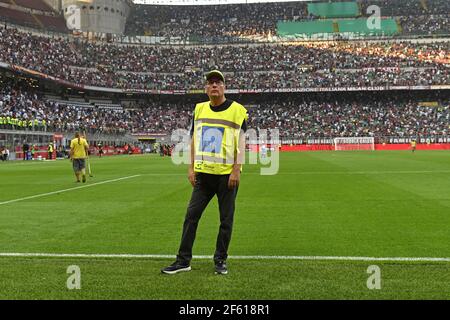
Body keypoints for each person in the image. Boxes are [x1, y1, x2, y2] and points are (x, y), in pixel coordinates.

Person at [161, 70, 248, 275]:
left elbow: (242, 143)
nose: (214, 85)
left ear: (224, 87)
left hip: (227, 176)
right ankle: (183, 260)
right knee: (191, 216)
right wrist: (190, 167)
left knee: (226, 220)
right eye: (210, 83)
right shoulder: (199, 109)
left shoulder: (237, 110)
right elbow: (193, 141)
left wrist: (237, 170)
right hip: (203, 176)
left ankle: (220, 259)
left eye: (218, 82)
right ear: (206, 88)